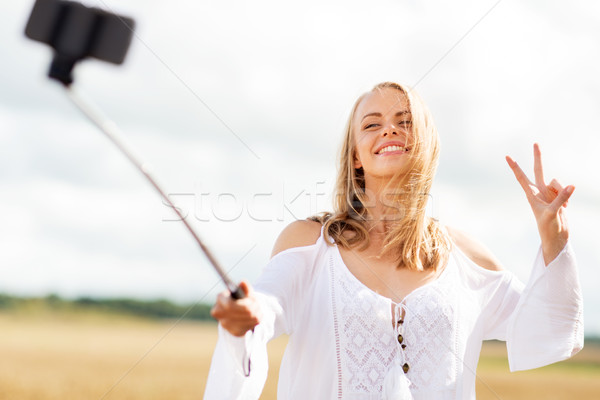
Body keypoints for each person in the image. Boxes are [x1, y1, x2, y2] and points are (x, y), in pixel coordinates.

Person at [204, 82, 583, 399]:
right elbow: (268, 304)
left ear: (426, 145)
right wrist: (248, 316)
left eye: (405, 122)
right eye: (372, 125)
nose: (389, 130)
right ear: (355, 156)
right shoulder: (310, 243)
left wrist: (554, 239)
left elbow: (546, 330)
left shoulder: (465, 255)